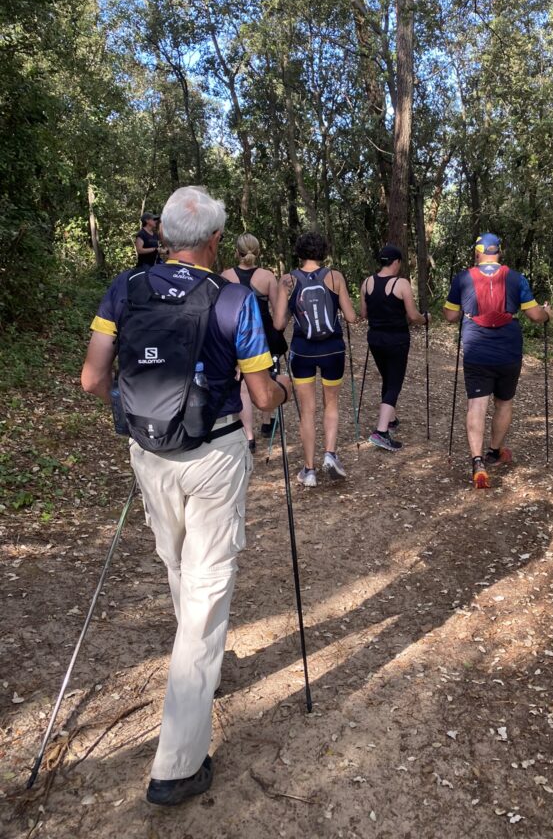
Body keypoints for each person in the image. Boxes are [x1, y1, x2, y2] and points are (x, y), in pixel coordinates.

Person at [81, 186, 291, 806]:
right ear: (215, 240)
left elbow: (94, 378)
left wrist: (141, 410)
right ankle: (177, 764)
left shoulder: (125, 290)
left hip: (149, 452)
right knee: (206, 590)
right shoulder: (234, 301)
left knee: (178, 570)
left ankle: (193, 670)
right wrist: (278, 388)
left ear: (163, 235)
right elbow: (260, 396)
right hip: (215, 452)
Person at [443, 233, 552, 489]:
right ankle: (494, 451)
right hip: (508, 349)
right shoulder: (516, 278)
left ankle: (477, 462)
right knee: (504, 402)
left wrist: (457, 308)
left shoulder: (463, 277)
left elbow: (450, 316)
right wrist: (548, 313)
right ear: (499, 252)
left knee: (477, 404)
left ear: (477, 252)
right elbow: (535, 316)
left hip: (476, 348)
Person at [273, 231, 357, 487]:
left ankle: (309, 470)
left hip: (302, 351)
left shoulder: (287, 280)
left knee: (307, 411)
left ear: (299, 252)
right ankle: (330, 455)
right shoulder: (335, 277)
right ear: (323, 252)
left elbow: (278, 323)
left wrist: (284, 302)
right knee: (331, 404)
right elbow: (352, 318)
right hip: (333, 349)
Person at [222, 233, 288, 451]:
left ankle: (248, 435)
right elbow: (279, 318)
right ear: (257, 251)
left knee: (241, 385)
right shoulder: (267, 276)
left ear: (236, 251)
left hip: (234, 335)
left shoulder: (225, 276)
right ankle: (267, 423)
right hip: (262, 335)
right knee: (266, 378)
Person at [359, 245, 427, 451]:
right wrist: (426, 319)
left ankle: (391, 419)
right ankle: (381, 432)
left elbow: (364, 314)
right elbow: (413, 316)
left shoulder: (367, 283)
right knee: (394, 383)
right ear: (396, 262)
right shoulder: (401, 283)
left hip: (375, 338)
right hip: (396, 339)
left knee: (388, 379)